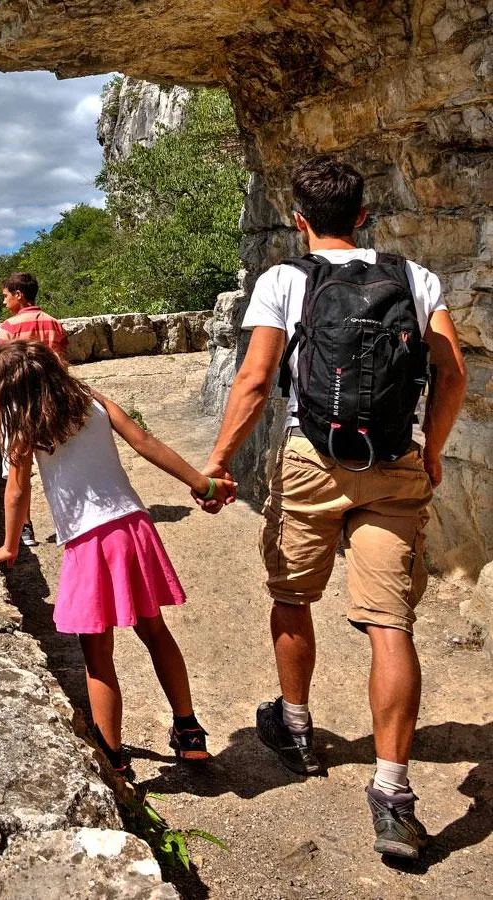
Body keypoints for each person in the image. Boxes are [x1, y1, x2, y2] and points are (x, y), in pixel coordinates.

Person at [203, 155, 468, 859]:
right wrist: (432, 450)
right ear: (362, 215)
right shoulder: (415, 278)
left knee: (292, 595)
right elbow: (452, 372)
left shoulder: (284, 280)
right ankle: (392, 793)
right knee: (390, 624)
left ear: (298, 221)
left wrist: (219, 461)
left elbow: (258, 380)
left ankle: (294, 726)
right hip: (394, 463)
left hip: (313, 460)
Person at [0, 340, 235, 775]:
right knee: (155, 631)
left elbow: (17, 489)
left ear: (8, 393)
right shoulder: (91, 400)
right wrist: (203, 485)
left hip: (88, 541)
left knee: (97, 656)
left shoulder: (23, 431)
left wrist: (10, 546)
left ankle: (113, 761)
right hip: (134, 526)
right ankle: (189, 732)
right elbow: (145, 442)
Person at [0, 272, 68, 548]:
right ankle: (66, 520)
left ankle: (25, 529)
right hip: (51, 399)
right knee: (58, 462)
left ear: (19, 295)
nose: (4, 302)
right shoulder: (53, 323)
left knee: (18, 469)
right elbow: (62, 363)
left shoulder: (9, 327)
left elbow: (3, 368)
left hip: (18, 402)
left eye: (5, 296)